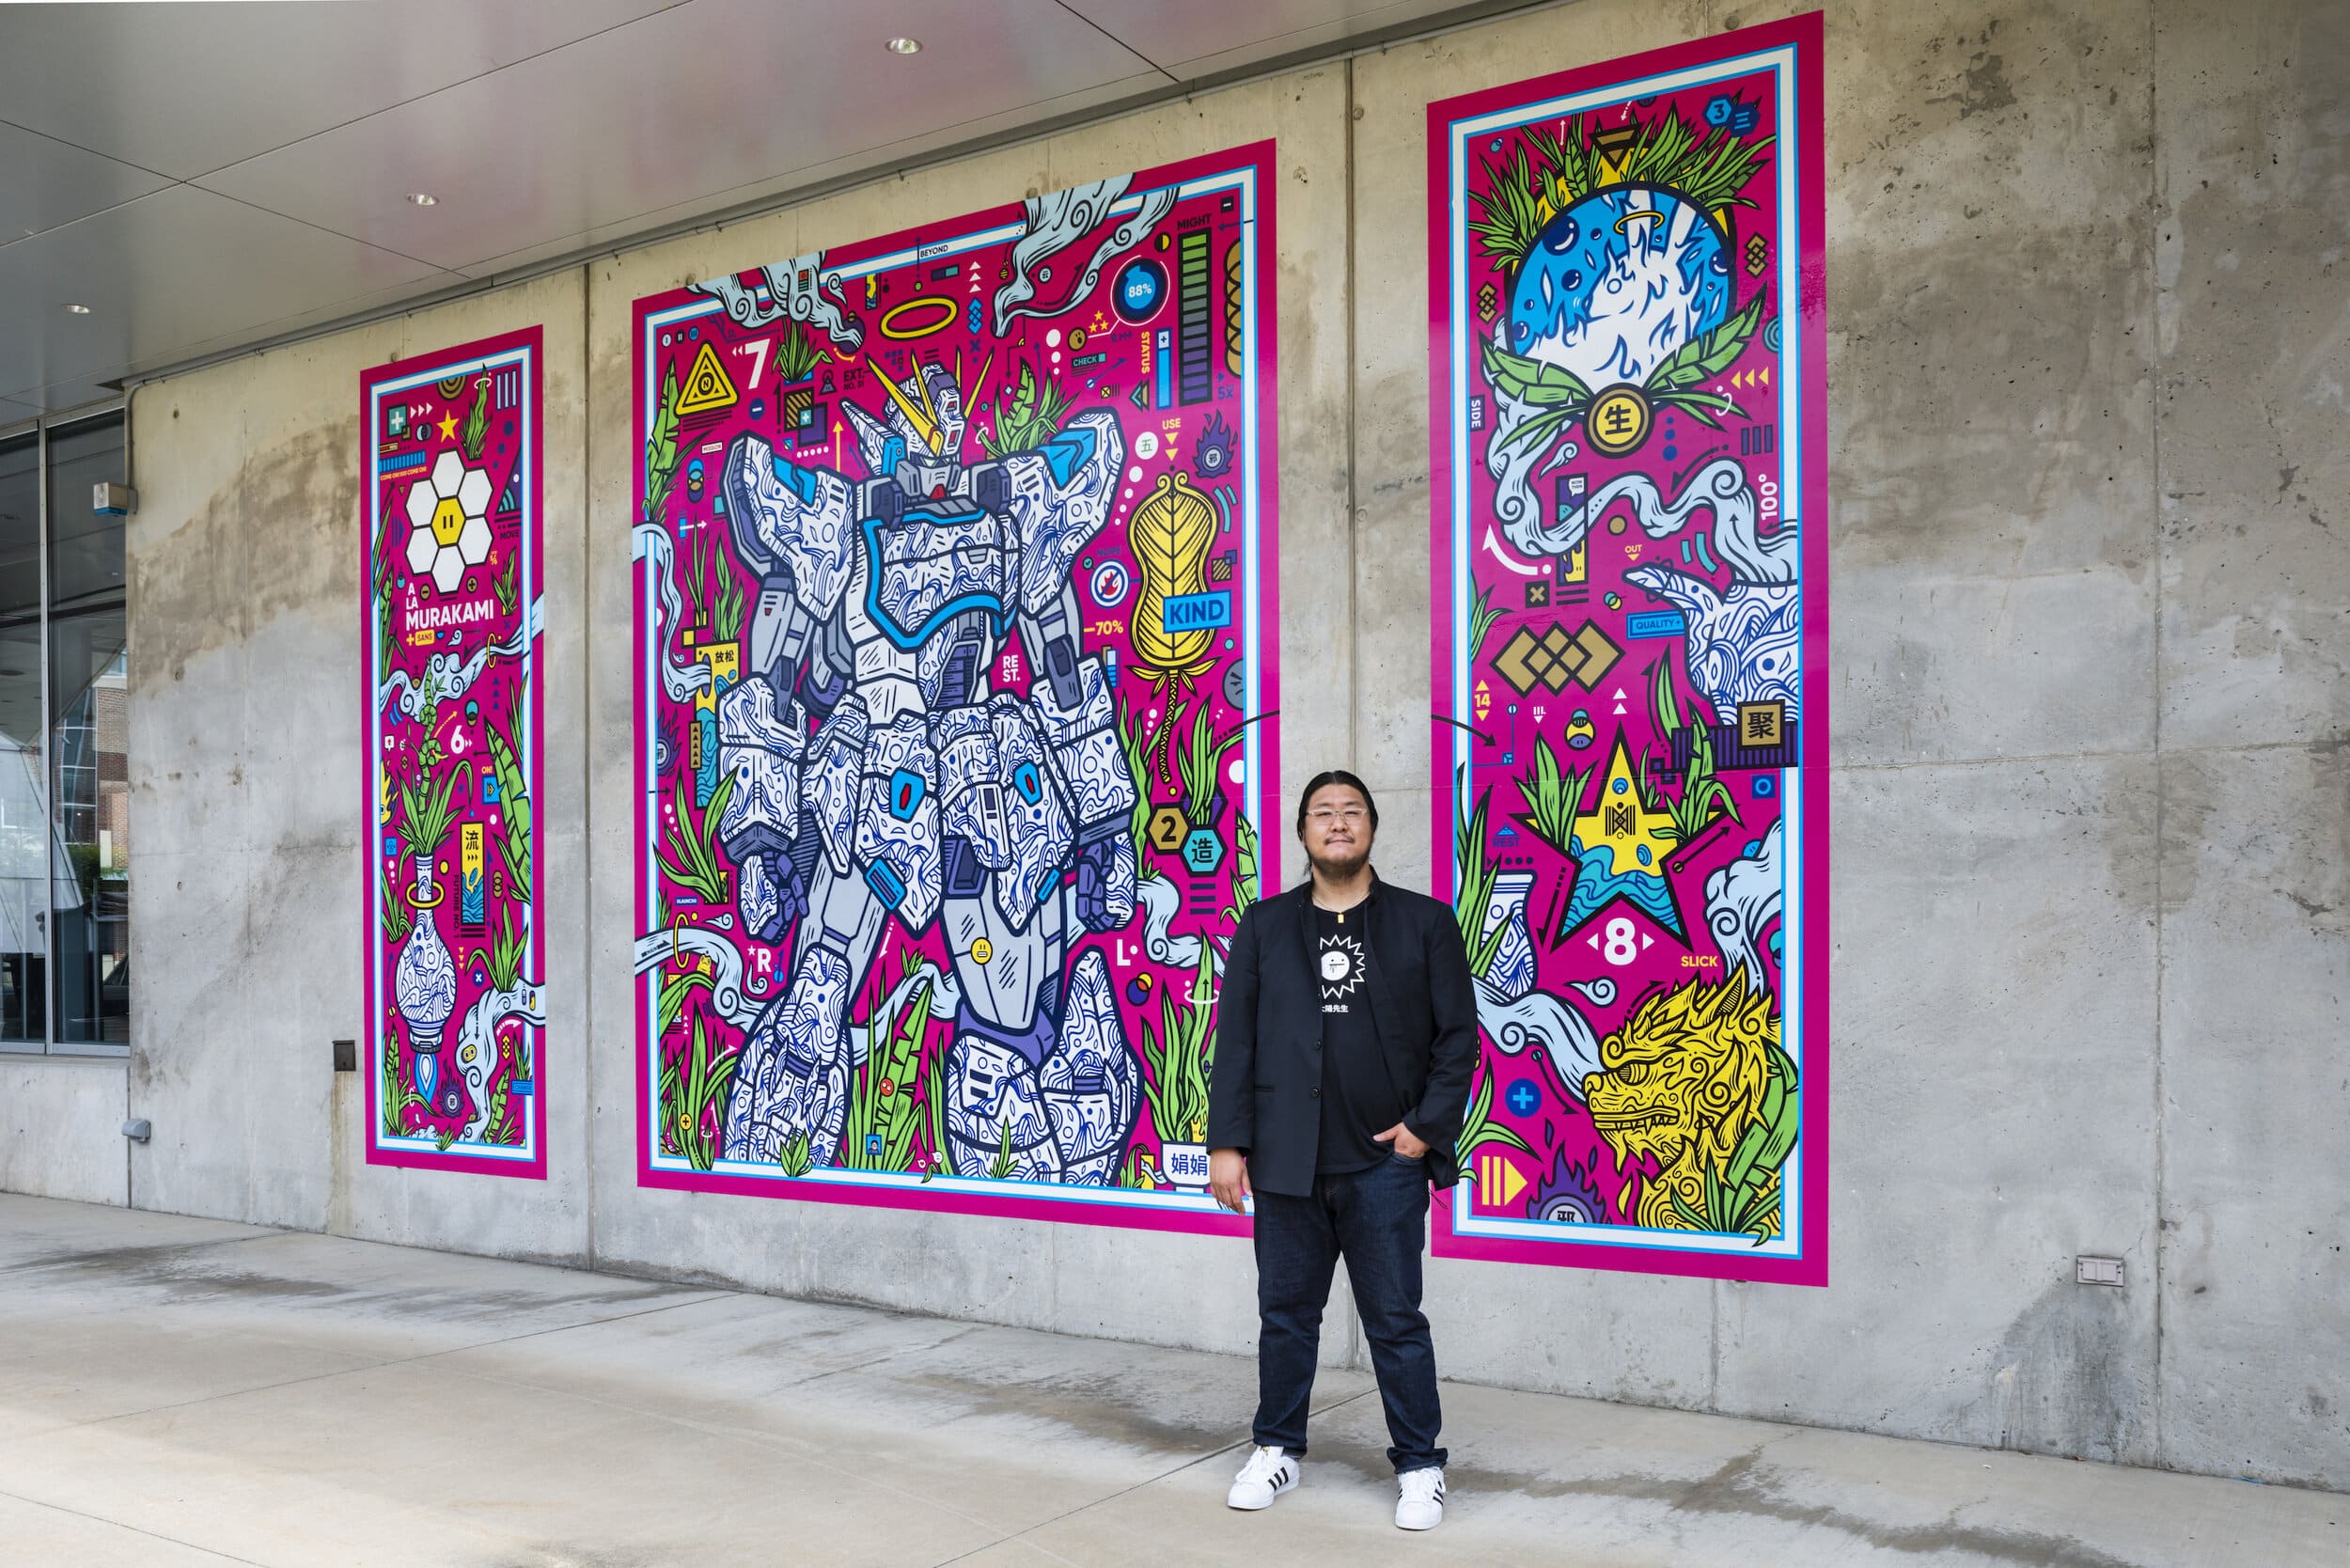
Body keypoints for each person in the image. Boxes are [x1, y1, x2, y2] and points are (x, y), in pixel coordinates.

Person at [1204, 770, 1479, 1531]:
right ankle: (1276, 1448)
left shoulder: (1424, 923)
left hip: (1382, 1167)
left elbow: (1459, 1042)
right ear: (1301, 833)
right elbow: (1237, 1044)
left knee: (1395, 1318)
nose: (1337, 822)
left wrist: (1423, 1131)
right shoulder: (1262, 927)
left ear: (1370, 829)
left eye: (1351, 811)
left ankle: (1420, 1466)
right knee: (1286, 1316)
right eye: (1322, 812)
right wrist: (1228, 1144)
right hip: (1288, 1164)